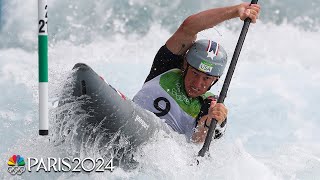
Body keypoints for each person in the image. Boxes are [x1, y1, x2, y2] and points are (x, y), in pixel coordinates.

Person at [133, 3, 260, 143]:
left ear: (215, 80)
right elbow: (189, 27)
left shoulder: (211, 106)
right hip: (130, 124)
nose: (197, 83)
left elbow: (195, 147)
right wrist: (235, 11)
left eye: (206, 78)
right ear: (185, 65)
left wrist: (209, 122)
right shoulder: (167, 66)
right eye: (194, 73)